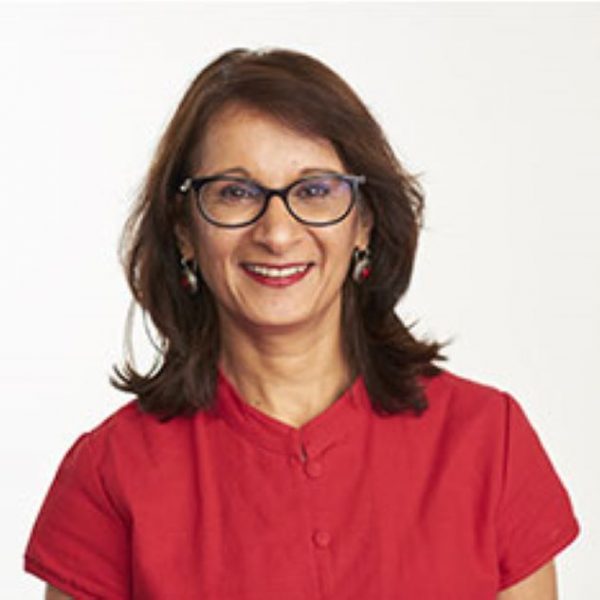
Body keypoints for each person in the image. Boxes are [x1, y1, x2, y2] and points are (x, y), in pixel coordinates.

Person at [24, 47, 579, 600]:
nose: (277, 231)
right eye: (236, 193)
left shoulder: (488, 441)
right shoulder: (110, 473)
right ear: (184, 231)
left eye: (314, 191)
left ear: (363, 223)